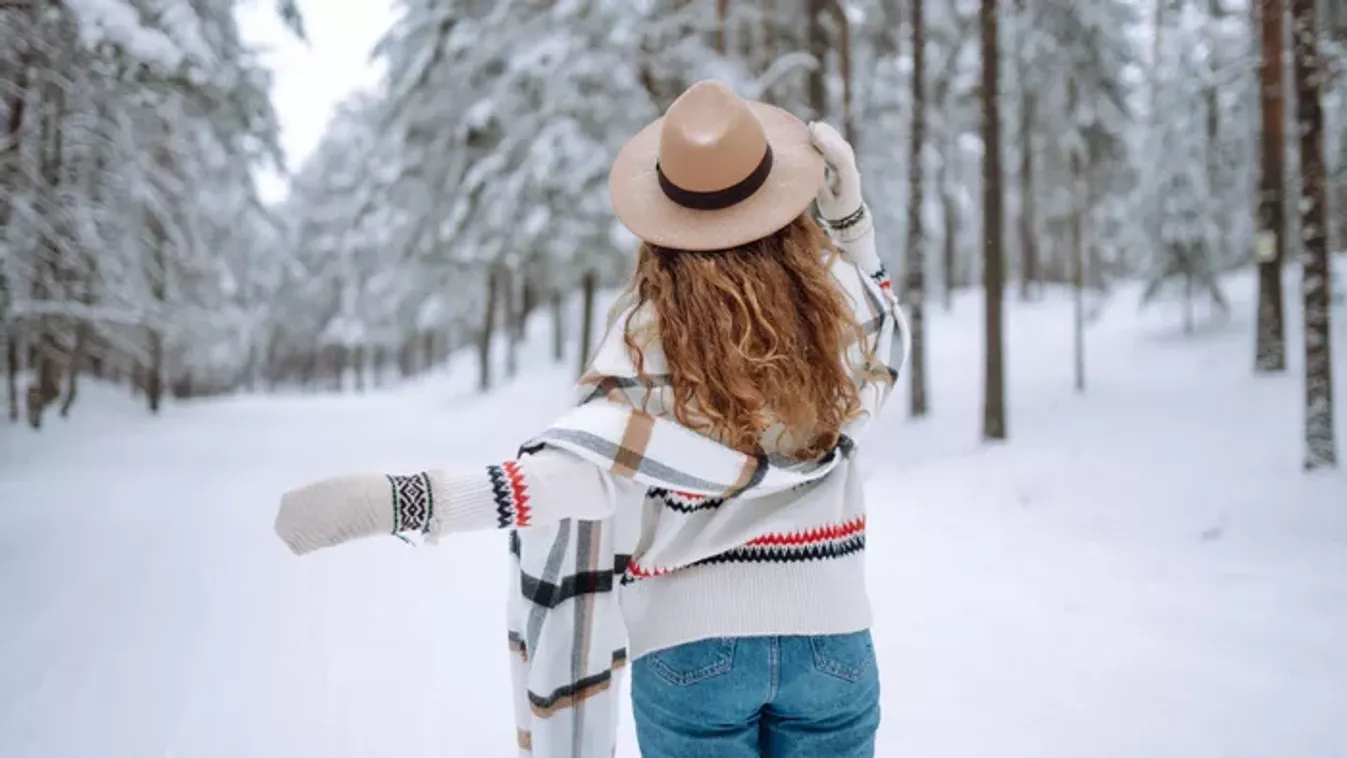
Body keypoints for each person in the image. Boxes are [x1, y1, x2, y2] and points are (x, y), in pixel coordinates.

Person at [274, 80, 907, 758]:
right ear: (782, 201)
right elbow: (888, 334)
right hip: (833, 642)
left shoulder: (652, 333)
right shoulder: (838, 306)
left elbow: (576, 475)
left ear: (665, 223)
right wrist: (851, 227)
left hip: (693, 655)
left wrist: (413, 502)